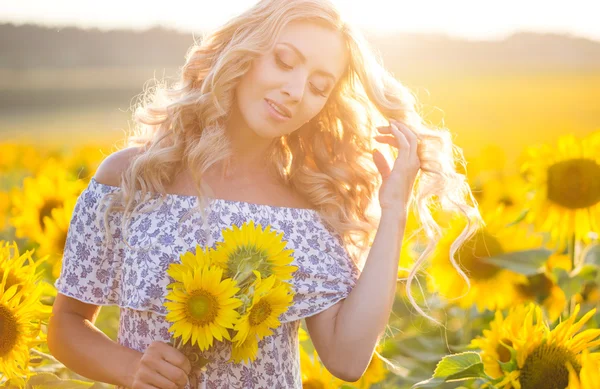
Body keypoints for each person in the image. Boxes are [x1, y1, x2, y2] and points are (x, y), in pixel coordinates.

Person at [47, 0, 482, 388]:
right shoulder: (132, 177)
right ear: (245, 53)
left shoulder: (308, 210)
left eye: (318, 86)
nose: (295, 92)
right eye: (285, 61)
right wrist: (129, 367)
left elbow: (348, 360)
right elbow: (66, 326)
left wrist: (393, 211)